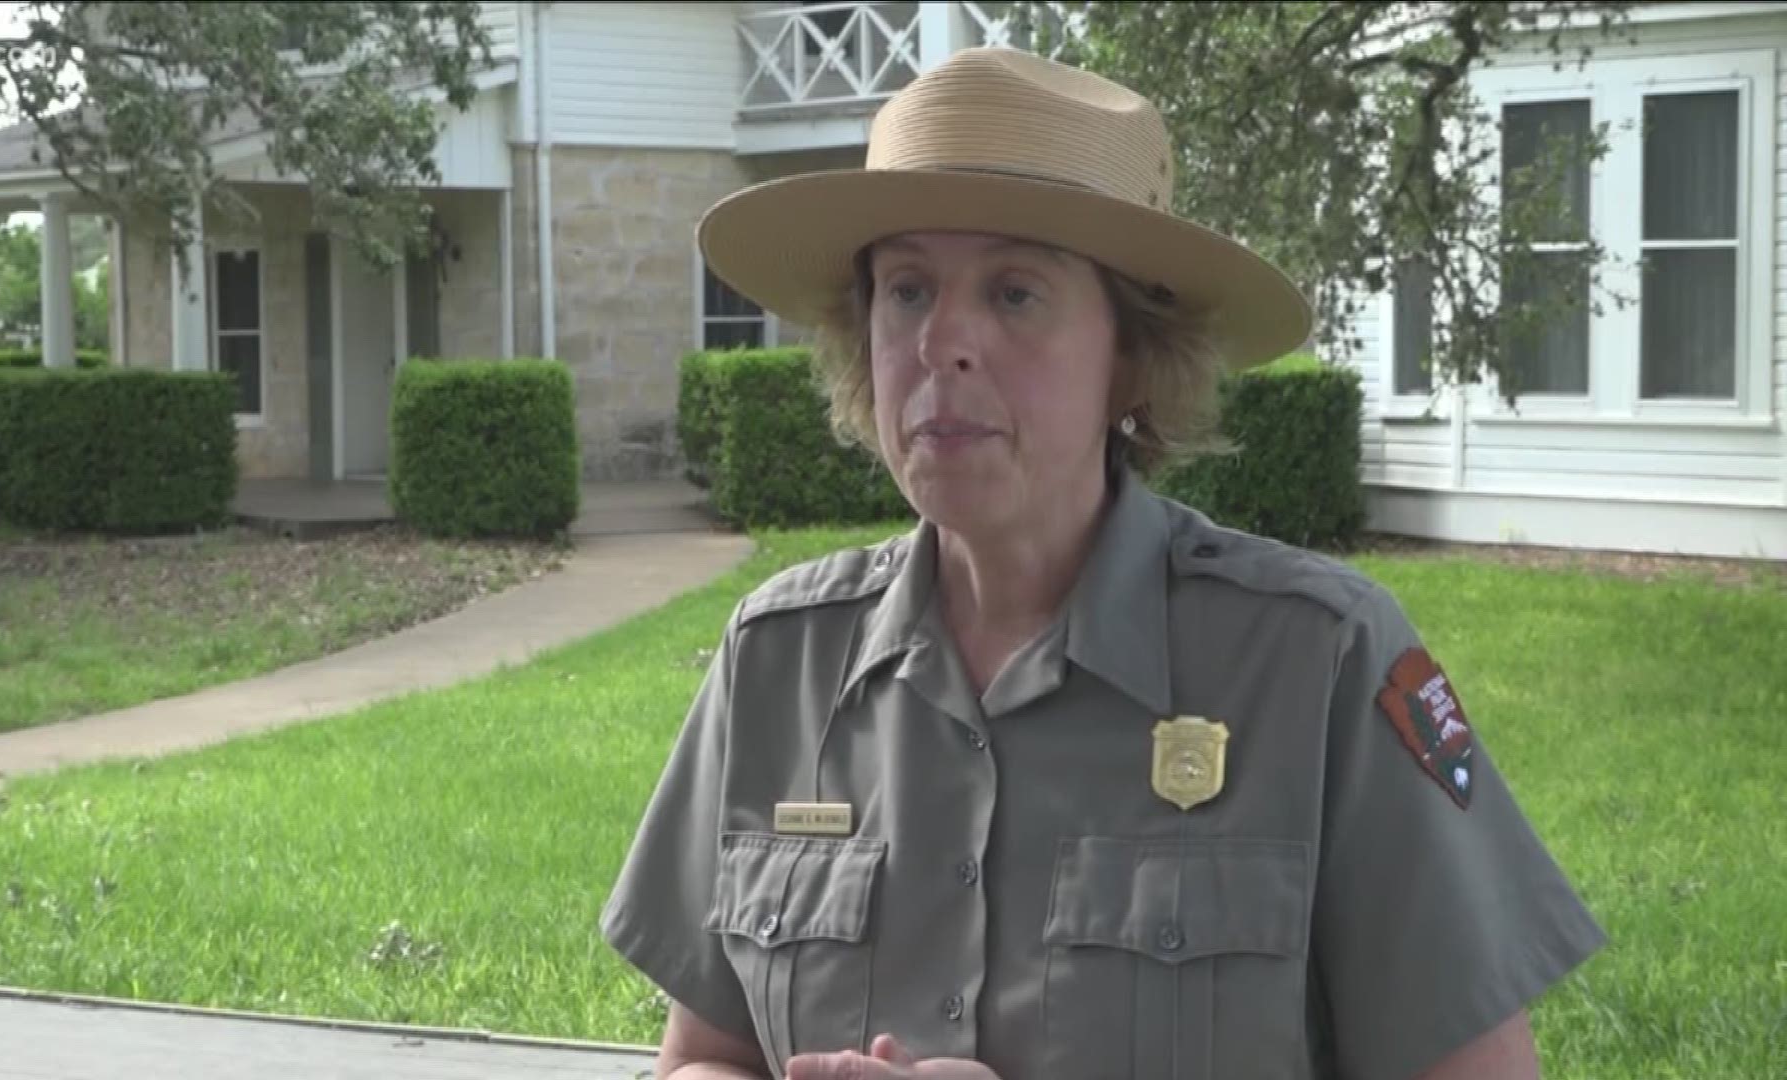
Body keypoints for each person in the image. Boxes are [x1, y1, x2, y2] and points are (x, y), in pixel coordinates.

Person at [598, 46, 1607, 1080]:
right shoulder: (781, 659)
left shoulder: (1319, 664)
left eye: (1016, 293)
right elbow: (705, 1057)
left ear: (1133, 353)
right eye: (905, 290)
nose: (942, 340)